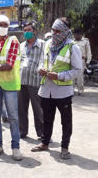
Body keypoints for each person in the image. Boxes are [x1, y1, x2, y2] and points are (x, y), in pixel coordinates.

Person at [31, 18, 82, 160]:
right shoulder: (48, 44)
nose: (54, 33)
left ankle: (65, 147)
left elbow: (77, 70)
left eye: (57, 31)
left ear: (65, 31)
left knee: (66, 121)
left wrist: (59, 76)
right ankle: (45, 143)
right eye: (53, 30)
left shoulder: (73, 47)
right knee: (47, 119)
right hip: (46, 90)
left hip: (63, 92)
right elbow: (42, 61)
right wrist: (40, 68)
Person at [0, 14, 23, 161]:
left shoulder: (13, 41)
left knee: (13, 116)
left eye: (6, 25)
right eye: (0, 25)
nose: (3, 27)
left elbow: (9, 65)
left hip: (10, 83)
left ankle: (15, 147)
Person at [18, 22, 44, 139]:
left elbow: (45, 61)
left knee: (38, 109)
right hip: (21, 81)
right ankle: (22, 131)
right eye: (25, 30)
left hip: (35, 81)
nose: (27, 32)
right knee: (22, 109)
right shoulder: (21, 46)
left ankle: (42, 133)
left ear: (34, 31)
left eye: (29, 30)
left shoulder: (42, 45)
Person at [73, 30, 92, 95]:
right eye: (74, 35)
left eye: (77, 35)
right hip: (72, 60)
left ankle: (80, 90)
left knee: (80, 76)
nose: (75, 36)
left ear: (81, 34)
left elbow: (88, 51)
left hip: (81, 60)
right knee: (72, 75)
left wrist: (88, 61)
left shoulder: (85, 41)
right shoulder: (72, 41)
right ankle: (71, 90)